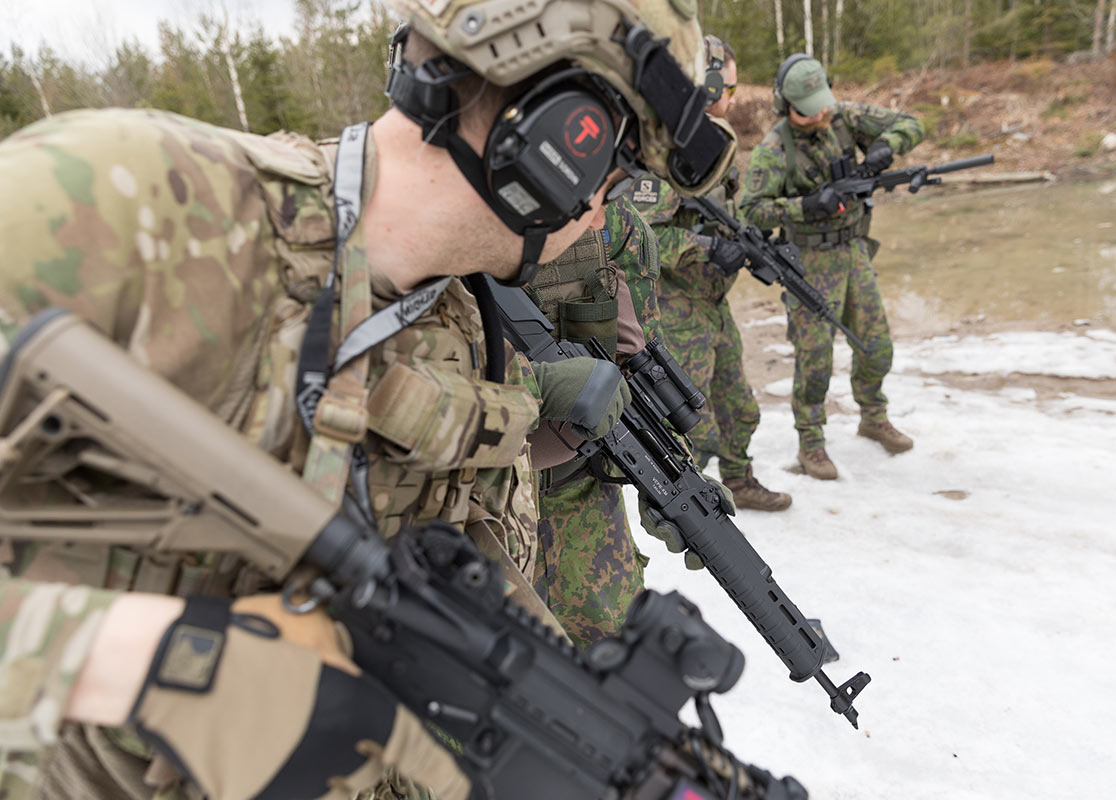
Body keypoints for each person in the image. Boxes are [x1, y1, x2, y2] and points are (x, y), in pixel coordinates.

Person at [0, 0, 734, 794]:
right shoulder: (128, 204)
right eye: (616, 173)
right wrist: (151, 662)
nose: (600, 211)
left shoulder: (465, 327)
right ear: (563, 139)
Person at [740, 54, 924, 480]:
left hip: (854, 251)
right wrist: (805, 205)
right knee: (815, 359)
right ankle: (811, 443)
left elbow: (912, 123)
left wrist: (885, 148)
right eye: (810, 109)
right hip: (809, 262)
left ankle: (873, 415)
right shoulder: (773, 149)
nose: (821, 113)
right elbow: (750, 211)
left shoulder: (843, 118)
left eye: (823, 103)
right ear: (786, 105)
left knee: (876, 344)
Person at [628, 36, 791, 512]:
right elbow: (637, 238)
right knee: (685, 418)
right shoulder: (663, 156)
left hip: (714, 306)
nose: (735, 98)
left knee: (739, 407)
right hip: (676, 309)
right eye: (730, 87)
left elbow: (731, 213)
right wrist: (705, 248)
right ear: (707, 84)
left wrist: (754, 243)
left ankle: (739, 480)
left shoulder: (714, 146)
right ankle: (685, 507)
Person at [530, 195, 661, 646]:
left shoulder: (619, 224)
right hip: (475, 508)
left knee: (619, 677)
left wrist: (671, 470)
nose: (598, 215)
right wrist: (534, 387)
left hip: (586, 505)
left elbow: (643, 366)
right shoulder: (435, 214)